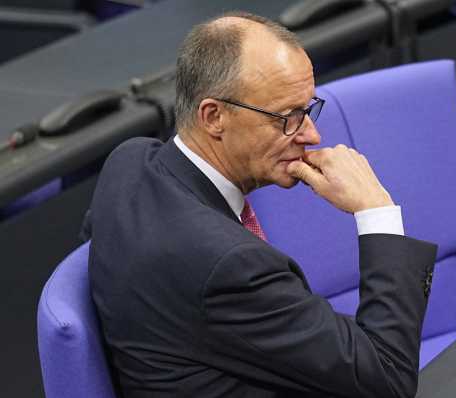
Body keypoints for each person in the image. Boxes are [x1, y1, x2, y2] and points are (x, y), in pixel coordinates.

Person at [87, 11, 437, 398]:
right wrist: (376, 212)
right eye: (287, 118)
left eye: (308, 109)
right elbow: (388, 380)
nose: (311, 134)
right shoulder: (228, 267)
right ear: (214, 116)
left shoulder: (130, 162)